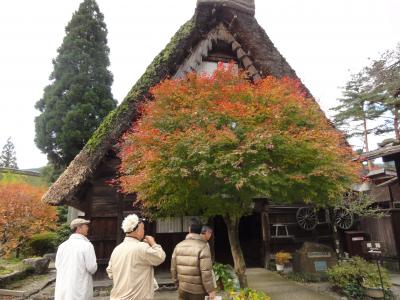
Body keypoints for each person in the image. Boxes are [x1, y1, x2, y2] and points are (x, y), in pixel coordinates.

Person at [106, 214, 166, 300]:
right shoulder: (141, 247)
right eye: (143, 229)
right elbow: (160, 257)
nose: (144, 231)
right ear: (137, 230)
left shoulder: (117, 249)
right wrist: (153, 243)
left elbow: (110, 273)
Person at [171, 219, 216, 300]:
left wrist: (178, 284)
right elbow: (206, 272)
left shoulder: (178, 246)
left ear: (189, 230)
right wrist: (211, 290)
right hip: (199, 292)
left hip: (182, 289)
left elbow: (173, 269)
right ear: (200, 231)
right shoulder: (203, 247)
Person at [54, 218, 97, 300]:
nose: (87, 228)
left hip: (63, 288)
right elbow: (92, 268)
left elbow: (57, 265)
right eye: (85, 226)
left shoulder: (62, 246)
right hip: (80, 287)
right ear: (79, 228)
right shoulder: (87, 245)